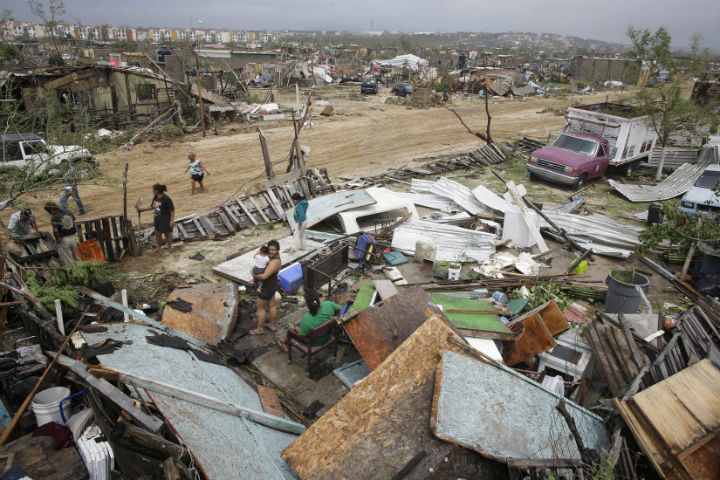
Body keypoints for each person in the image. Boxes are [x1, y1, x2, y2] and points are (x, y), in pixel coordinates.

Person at [250, 240, 282, 335]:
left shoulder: (274, 262)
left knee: (261, 308)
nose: (271, 252)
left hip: (266, 287)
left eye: (274, 250)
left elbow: (264, 277)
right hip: (272, 285)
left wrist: (253, 274)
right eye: (270, 249)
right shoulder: (273, 257)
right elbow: (258, 254)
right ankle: (271, 325)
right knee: (271, 305)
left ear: (278, 250)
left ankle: (260, 329)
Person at [137, 184, 174, 255]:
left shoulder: (166, 199)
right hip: (157, 217)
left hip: (165, 218)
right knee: (157, 232)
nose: (152, 191)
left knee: (167, 234)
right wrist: (142, 210)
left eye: (153, 190)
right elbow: (153, 206)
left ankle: (169, 250)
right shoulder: (155, 197)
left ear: (157, 191)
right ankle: (158, 247)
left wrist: (171, 221)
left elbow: (172, 210)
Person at [44, 202, 79, 266]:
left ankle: (74, 273)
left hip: (64, 239)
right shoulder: (68, 212)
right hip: (73, 237)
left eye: (49, 212)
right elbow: (73, 220)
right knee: (76, 257)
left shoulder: (55, 217)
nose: (50, 214)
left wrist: (57, 238)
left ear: (51, 210)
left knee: (68, 260)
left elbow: (56, 230)